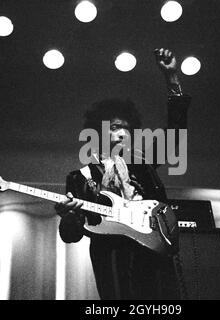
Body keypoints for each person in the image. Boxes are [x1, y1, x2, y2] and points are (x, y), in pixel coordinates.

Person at [55, 48, 191, 299]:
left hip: (155, 251)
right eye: (115, 127)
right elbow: (70, 235)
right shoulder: (81, 177)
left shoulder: (142, 165)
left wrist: (172, 78)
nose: (122, 133)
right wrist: (70, 216)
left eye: (127, 129)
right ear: (99, 130)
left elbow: (175, 133)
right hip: (114, 258)